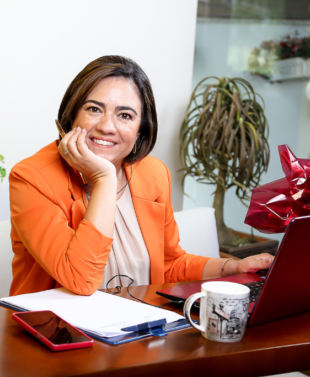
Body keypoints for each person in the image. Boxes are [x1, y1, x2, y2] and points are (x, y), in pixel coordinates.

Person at [9, 56, 274, 297]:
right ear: (72, 114)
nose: (106, 127)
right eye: (93, 109)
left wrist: (232, 267)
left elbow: (169, 265)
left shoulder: (153, 173)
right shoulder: (32, 178)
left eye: (125, 115)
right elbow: (80, 278)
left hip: (141, 332)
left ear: (140, 131)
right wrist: (104, 178)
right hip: (60, 337)